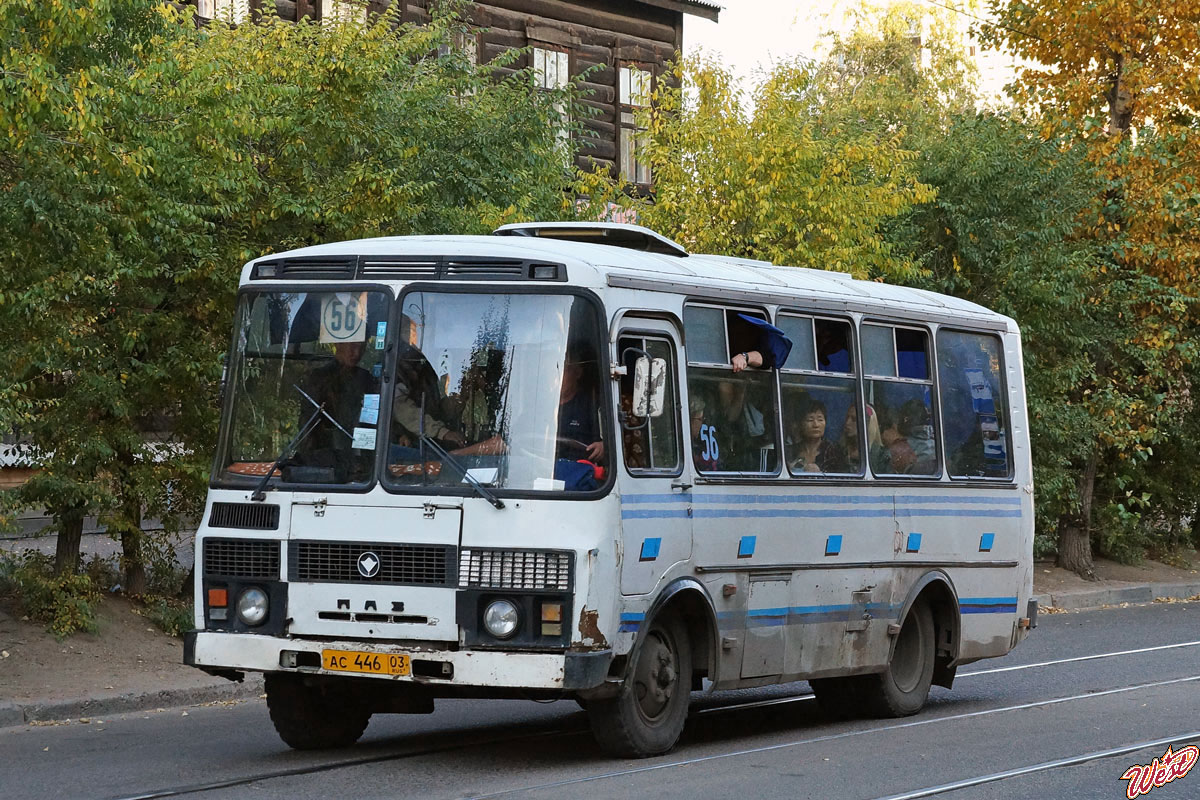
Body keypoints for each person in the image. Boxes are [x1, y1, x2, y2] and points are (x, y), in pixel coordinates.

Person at [296, 340, 376, 481]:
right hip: (327, 468)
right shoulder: (319, 379)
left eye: (361, 347)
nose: (356, 353)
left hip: (365, 468)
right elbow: (308, 426)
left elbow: (376, 422)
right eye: (352, 345)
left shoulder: (368, 380)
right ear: (338, 343)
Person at [557, 350, 604, 463]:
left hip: (580, 473)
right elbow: (520, 434)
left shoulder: (592, 404)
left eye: (562, 370)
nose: (556, 376)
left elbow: (612, 439)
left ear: (577, 373)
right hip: (542, 470)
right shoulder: (539, 404)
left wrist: (603, 446)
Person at [787, 398, 846, 474]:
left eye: (820, 420)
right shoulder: (791, 451)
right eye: (810, 420)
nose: (816, 425)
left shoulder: (833, 452)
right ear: (801, 424)